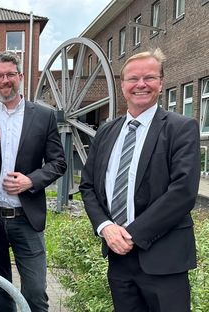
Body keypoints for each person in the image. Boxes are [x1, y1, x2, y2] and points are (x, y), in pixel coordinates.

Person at [80, 48, 199, 311]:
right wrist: (105, 228)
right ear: (122, 85)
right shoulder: (106, 132)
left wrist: (130, 234)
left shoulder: (181, 128)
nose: (141, 85)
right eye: (133, 79)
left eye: (149, 78)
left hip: (163, 258)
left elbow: (182, 192)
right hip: (119, 259)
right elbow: (88, 186)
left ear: (161, 82)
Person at [0, 51, 66, 312]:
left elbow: (58, 163)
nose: (5, 80)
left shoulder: (44, 116)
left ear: (21, 77)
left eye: (10, 74)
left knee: (35, 292)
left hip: (26, 217)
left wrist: (30, 181)